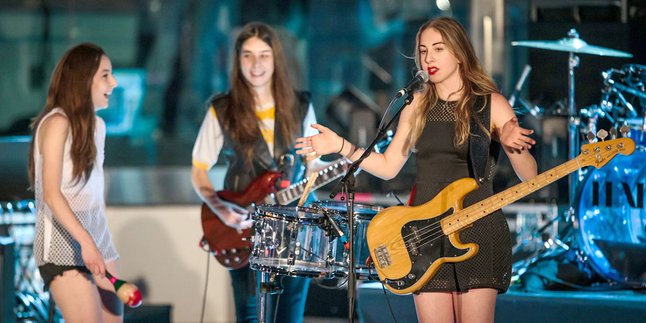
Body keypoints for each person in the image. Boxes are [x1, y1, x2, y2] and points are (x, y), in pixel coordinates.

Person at [296, 17, 538, 323]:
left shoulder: (491, 104)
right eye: (423, 51)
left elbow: (530, 177)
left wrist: (513, 146)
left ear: (460, 53)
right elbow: (387, 166)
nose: (429, 58)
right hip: (426, 235)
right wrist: (341, 145)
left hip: (477, 232)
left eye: (439, 49)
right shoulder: (416, 105)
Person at [191, 22, 321, 323]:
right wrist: (221, 210)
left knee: (291, 315)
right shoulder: (222, 109)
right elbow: (198, 171)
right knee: (250, 315)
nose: (256, 64)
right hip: (244, 228)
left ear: (276, 59)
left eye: (264, 55)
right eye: (248, 55)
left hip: (295, 229)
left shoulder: (300, 106)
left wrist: (342, 163)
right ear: (237, 61)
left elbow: (313, 167)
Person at [28, 43, 121, 322]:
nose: (114, 83)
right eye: (105, 75)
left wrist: (99, 244)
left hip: (95, 242)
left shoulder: (98, 127)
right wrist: (87, 243)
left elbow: (94, 195)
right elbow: (52, 195)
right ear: (83, 79)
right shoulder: (57, 122)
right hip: (62, 245)